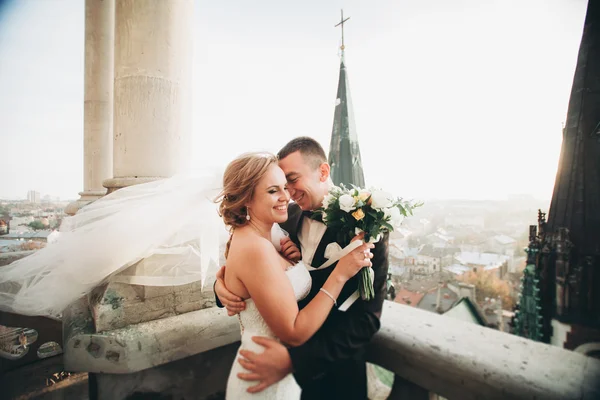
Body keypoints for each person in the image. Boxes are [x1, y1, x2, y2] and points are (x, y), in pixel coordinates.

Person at [215, 137, 389, 400]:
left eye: (291, 180)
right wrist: (221, 288)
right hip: (268, 373)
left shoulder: (367, 226)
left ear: (323, 171)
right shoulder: (284, 217)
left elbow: (366, 319)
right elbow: (250, 271)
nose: (288, 193)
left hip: (332, 378)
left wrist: (295, 361)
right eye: (279, 186)